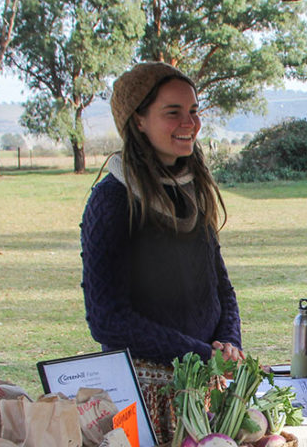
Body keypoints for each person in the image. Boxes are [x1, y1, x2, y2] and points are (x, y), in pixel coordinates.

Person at [81, 62, 244, 366]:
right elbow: (107, 319)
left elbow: (219, 287)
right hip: (145, 385)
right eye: (173, 112)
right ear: (138, 120)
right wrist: (200, 352)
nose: (190, 123)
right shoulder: (113, 199)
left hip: (204, 379)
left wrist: (229, 343)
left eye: (193, 111)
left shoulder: (192, 190)